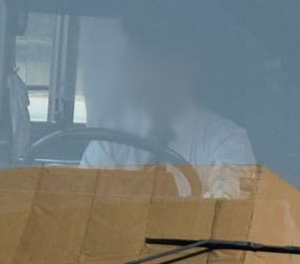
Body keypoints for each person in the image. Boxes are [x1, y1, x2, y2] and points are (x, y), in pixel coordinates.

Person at [82, 13, 254, 195]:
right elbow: (82, 207)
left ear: (190, 67)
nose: (146, 69)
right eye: (141, 53)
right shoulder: (110, 142)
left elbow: (226, 213)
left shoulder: (226, 141)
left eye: (161, 56)